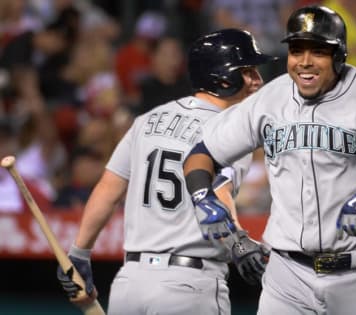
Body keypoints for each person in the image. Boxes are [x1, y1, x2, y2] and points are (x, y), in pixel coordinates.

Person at [183, 5, 356, 315]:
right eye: (297, 50)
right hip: (286, 274)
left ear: (339, 54)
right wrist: (201, 196)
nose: (305, 62)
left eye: (318, 51)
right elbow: (202, 152)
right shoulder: (271, 98)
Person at [56, 28, 276, 315]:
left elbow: (109, 189)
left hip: (130, 284)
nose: (258, 81)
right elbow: (217, 189)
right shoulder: (231, 130)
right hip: (189, 285)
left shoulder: (147, 120)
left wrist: (79, 254)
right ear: (222, 77)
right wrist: (238, 240)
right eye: (247, 71)